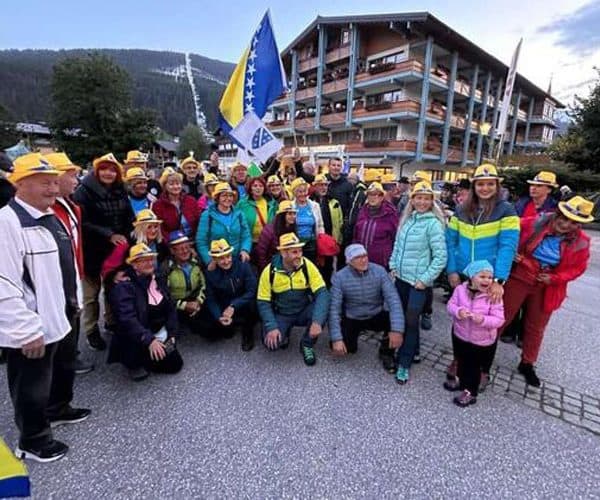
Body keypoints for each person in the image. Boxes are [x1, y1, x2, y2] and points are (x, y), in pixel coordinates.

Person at [0, 153, 90, 462]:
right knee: (31, 384)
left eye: (54, 182)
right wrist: (24, 330)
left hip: (60, 314)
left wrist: (73, 301)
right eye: (44, 184)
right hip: (32, 326)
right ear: (20, 184)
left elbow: (64, 268)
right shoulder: (6, 223)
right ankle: (32, 441)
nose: (53, 190)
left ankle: (58, 410)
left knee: (59, 371)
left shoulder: (49, 216)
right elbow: (3, 284)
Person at [499, 196, 593, 387]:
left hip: (548, 285)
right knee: (502, 317)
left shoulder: (582, 241)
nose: (566, 225)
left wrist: (555, 278)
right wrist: (513, 253)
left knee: (536, 327)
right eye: (564, 219)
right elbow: (508, 226)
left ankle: (527, 363)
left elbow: (578, 268)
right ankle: (483, 352)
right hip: (520, 277)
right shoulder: (536, 222)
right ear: (557, 214)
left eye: (573, 223)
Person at [445, 163, 519, 386]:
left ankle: (482, 369)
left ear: (496, 186)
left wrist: (499, 280)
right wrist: (451, 270)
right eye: (480, 184)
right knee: (461, 317)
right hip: (465, 275)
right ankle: (459, 359)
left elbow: (508, 245)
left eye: (490, 184)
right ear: (474, 185)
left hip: (489, 278)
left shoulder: (506, 210)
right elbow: (450, 241)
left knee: (486, 326)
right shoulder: (461, 210)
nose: (485, 188)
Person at [73, 153, 134, 351]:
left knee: (113, 287)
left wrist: (127, 235)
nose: (108, 173)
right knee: (91, 295)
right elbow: (83, 222)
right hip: (91, 248)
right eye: (104, 168)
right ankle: (91, 330)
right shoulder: (83, 191)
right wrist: (109, 234)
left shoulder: (120, 190)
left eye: (112, 169)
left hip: (116, 249)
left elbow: (128, 216)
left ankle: (111, 321)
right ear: (96, 170)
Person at [389, 181, 447, 383]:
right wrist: (393, 266)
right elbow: (397, 245)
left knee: (411, 321)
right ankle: (414, 350)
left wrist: (425, 280)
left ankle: (404, 363)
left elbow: (440, 257)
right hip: (401, 279)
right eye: (418, 198)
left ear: (432, 201)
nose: (422, 202)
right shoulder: (407, 220)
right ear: (412, 200)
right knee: (401, 318)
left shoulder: (433, 224)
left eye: (426, 198)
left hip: (418, 283)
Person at [107, 243, 183, 381]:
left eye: (151, 259)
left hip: (158, 330)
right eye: (144, 260)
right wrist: (149, 340)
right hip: (138, 336)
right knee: (146, 366)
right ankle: (133, 362)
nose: (150, 263)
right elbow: (127, 320)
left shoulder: (158, 279)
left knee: (175, 364)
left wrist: (172, 333)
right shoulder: (124, 287)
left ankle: (150, 356)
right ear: (134, 265)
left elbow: (171, 308)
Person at [46, 152, 93, 375]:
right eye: (71, 176)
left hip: (74, 272)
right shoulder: (47, 210)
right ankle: (63, 363)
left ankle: (69, 357)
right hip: (57, 280)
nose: (76, 180)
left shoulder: (71, 206)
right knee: (63, 318)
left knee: (73, 314)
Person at [503, 171, 559, 345]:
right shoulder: (522, 203)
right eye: (532, 185)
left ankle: (522, 333)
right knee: (512, 297)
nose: (533, 188)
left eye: (539, 186)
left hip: (537, 261)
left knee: (532, 302)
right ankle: (510, 329)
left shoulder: (555, 209)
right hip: (517, 254)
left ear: (549, 189)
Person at [257, 233, 330, 366]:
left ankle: (307, 344)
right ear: (283, 253)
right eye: (294, 252)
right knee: (272, 345)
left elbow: (322, 293)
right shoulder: (269, 271)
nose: (299, 255)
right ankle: (284, 332)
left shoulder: (307, 265)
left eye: (300, 250)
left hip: (303, 310)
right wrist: (271, 326)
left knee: (322, 311)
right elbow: (263, 302)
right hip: (282, 313)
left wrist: (317, 321)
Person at [329, 244, 404, 367]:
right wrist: (336, 338)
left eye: (365, 256)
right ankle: (350, 339)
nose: (364, 260)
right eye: (358, 257)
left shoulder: (379, 271)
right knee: (346, 348)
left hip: (376, 313)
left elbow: (393, 300)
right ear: (349, 261)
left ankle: (386, 353)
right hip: (353, 316)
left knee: (398, 321)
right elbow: (334, 309)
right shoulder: (339, 277)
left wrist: (397, 330)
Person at [444, 261, 505, 407]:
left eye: (490, 277)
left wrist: (483, 319)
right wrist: (458, 311)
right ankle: (460, 381)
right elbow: (450, 306)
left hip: (481, 340)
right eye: (482, 276)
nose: (487, 280)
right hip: (460, 334)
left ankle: (470, 391)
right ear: (471, 277)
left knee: (473, 367)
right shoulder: (460, 290)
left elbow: (499, 320)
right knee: (461, 360)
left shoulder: (493, 296)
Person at [204, 239, 258, 351]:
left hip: (242, 302)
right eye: (221, 258)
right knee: (213, 332)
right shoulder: (210, 273)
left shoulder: (243, 266)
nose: (226, 261)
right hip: (224, 306)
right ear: (214, 259)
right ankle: (229, 325)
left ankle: (248, 333)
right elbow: (210, 298)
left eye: (228, 256)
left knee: (254, 306)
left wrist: (234, 305)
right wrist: (219, 316)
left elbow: (252, 290)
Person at [160, 231, 207, 335]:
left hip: (194, 300)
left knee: (209, 330)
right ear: (172, 250)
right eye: (180, 248)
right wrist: (184, 305)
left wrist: (198, 301)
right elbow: (164, 295)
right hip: (175, 304)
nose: (185, 251)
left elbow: (204, 285)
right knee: (173, 333)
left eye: (187, 247)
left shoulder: (196, 261)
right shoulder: (166, 268)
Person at [101, 209, 169, 278]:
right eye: (149, 227)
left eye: (155, 226)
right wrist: (114, 276)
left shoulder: (161, 245)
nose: (153, 230)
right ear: (140, 228)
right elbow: (107, 269)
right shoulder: (125, 245)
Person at [196, 182, 252, 266]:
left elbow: (246, 236)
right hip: (217, 261)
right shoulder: (207, 215)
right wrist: (209, 261)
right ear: (217, 198)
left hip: (237, 259)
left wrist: (245, 250)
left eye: (230, 196)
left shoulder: (239, 214)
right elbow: (201, 241)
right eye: (224, 195)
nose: (228, 198)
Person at [353, 182, 398, 270]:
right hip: (361, 259)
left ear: (382, 197)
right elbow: (356, 234)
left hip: (381, 262)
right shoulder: (362, 211)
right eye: (370, 194)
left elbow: (395, 238)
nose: (373, 198)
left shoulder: (390, 213)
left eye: (376, 195)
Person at [310, 174, 343, 284]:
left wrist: (337, 241)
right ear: (314, 186)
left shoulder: (334, 202)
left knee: (328, 270)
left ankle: (327, 290)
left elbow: (339, 222)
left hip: (328, 241)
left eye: (325, 185)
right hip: (314, 242)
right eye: (320, 185)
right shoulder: (308, 203)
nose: (323, 188)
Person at [153, 167, 200, 241]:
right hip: (171, 243)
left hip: (193, 240)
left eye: (178, 184)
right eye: (171, 184)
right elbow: (160, 229)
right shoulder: (158, 205)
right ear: (165, 186)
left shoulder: (191, 201)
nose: (175, 187)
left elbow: (199, 223)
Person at [255, 200, 297, 271]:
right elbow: (261, 252)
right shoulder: (269, 230)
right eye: (289, 214)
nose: (293, 216)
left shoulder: (293, 228)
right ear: (282, 215)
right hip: (272, 265)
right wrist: (266, 269)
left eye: (294, 214)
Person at [237, 176, 277, 251]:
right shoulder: (242, 203)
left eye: (261, 186)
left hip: (267, 242)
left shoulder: (271, 203)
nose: (258, 188)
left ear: (264, 188)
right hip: (249, 243)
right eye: (255, 186)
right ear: (250, 189)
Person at [290, 177, 324, 263]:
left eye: (304, 191)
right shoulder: (290, 206)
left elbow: (320, 225)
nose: (303, 194)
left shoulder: (315, 206)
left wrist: (321, 241)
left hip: (311, 243)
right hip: (295, 243)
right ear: (294, 193)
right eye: (300, 192)